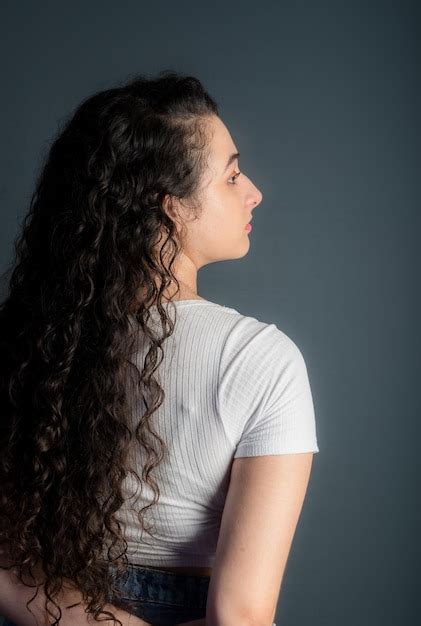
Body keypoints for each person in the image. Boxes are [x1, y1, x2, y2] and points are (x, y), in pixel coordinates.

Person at [0, 70, 319, 626]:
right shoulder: (260, 360)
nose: (254, 192)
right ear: (170, 206)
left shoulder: (27, 344)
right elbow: (240, 616)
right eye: (231, 177)